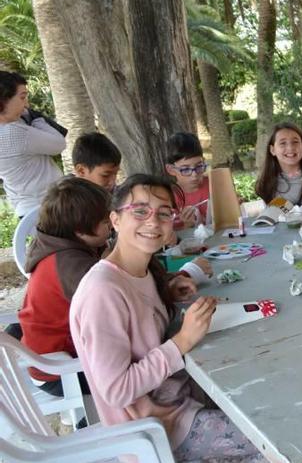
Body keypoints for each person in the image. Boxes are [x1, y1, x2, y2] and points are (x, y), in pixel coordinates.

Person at [69, 174, 266, 461]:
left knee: (262, 396)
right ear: (115, 220)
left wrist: (166, 292)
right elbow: (116, 391)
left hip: (180, 397)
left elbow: (138, 314)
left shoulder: (143, 270)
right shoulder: (102, 292)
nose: (153, 221)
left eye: (163, 213)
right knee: (271, 442)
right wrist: (182, 341)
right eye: (139, 211)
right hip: (159, 430)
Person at [17, 178, 111, 398]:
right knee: (151, 369)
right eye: (105, 220)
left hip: (47, 358)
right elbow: (116, 304)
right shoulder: (71, 266)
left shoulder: (56, 242)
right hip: (59, 372)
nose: (112, 223)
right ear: (80, 230)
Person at [0, 71, 66, 217]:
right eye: (22, 97)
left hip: (27, 209)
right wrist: (38, 120)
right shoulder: (13, 132)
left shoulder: (13, 126)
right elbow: (59, 144)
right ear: (4, 99)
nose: (26, 104)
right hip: (48, 207)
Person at [165, 132, 209, 229]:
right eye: (185, 169)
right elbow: (172, 237)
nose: (194, 175)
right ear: (171, 170)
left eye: (199, 166)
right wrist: (187, 225)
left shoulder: (214, 184)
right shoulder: (169, 198)